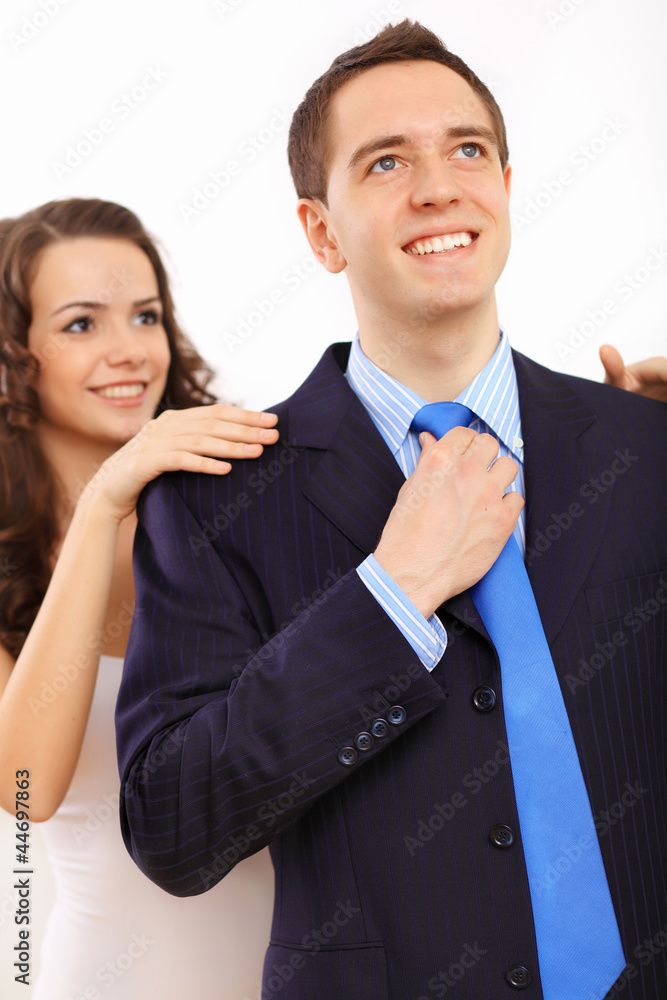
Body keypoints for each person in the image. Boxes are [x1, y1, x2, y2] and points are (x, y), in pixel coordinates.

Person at [117, 22, 667, 1000]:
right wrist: (392, 593)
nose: (438, 187)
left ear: (505, 186)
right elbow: (174, 828)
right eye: (385, 162)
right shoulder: (214, 494)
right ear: (320, 231)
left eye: (467, 150)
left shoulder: (645, 444)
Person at [0, 198, 276, 998]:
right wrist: (100, 508)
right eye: (82, 324)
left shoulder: (244, 502)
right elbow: (24, 789)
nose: (129, 351)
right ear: (13, 355)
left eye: (146, 316)